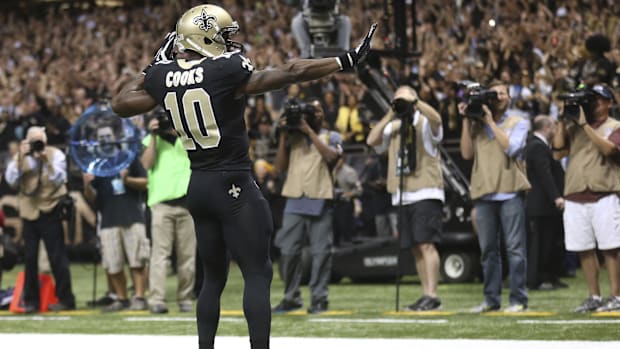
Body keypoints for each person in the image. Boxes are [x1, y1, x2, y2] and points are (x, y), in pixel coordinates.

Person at [110, 4, 376, 349]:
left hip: (199, 185)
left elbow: (120, 103)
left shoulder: (162, 75)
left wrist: (150, 66)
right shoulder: (227, 69)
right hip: (232, 182)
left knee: (213, 278)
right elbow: (291, 71)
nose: (229, 42)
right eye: (222, 35)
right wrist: (345, 60)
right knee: (257, 272)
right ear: (203, 37)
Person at [366, 86, 444, 311]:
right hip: (402, 194)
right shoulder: (393, 126)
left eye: (404, 99)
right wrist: (391, 112)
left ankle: (433, 294)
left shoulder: (424, 121)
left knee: (426, 243)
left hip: (425, 189)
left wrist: (415, 102)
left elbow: (437, 119)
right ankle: (425, 293)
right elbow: (372, 140)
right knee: (415, 247)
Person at [459, 81, 531, 313]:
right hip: (484, 191)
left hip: (509, 191)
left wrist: (489, 121)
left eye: (503, 92)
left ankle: (518, 299)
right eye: (495, 93)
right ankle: (491, 299)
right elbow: (466, 153)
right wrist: (467, 119)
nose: (499, 96)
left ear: (510, 98)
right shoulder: (476, 123)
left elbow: (512, 148)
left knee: (515, 249)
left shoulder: (518, 121)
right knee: (488, 250)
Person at [553, 84, 620, 312]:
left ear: (610, 103)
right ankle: (594, 296)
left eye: (599, 100)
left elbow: (609, 150)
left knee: (610, 247)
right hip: (575, 193)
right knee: (584, 248)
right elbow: (558, 152)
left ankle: (616, 296)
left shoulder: (615, 126)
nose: (594, 104)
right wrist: (563, 121)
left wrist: (583, 124)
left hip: (604, 194)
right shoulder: (575, 127)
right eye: (592, 100)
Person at [272, 99, 342, 314]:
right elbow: (278, 169)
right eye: (311, 110)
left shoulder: (332, 136)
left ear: (323, 115)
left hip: (320, 197)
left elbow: (332, 157)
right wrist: (284, 133)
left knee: (321, 252)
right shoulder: (293, 137)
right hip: (294, 196)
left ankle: (319, 298)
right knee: (289, 251)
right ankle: (291, 297)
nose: (315, 114)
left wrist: (309, 132)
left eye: (318, 110)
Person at [4, 126, 76, 313]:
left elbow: (60, 179)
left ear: (46, 141)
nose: (37, 145)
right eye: (33, 141)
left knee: (57, 257)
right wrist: (21, 156)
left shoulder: (55, 155)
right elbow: (11, 180)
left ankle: (66, 299)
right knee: (29, 258)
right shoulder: (21, 157)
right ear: (26, 142)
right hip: (29, 212)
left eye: (40, 141)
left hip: (50, 210)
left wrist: (46, 161)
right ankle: (30, 301)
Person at [83, 123, 150, 312]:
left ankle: (139, 297)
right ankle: (121, 298)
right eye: (101, 136)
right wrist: (87, 185)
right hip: (108, 219)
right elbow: (92, 198)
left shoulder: (128, 158)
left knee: (137, 260)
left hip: (132, 215)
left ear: (114, 137)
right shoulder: (97, 164)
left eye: (107, 135)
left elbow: (146, 182)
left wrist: (127, 179)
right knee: (113, 263)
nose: (104, 139)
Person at [141, 109, 196, 314]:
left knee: (187, 256)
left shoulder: (186, 139)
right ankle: (157, 299)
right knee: (159, 255)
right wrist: (154, 136)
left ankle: (185, 298)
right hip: (161, 205)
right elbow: (146, 164)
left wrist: (177, 132)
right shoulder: (150, 140)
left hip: (187, 204)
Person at [524, 115, 567, 291]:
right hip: (542, 204)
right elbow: (544, 174)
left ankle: (550, 276)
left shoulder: (539, 145)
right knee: (541, 244)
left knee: (550, 243)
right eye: (554, 127)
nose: (556, 131)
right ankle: (536, 279)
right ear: (547, 128)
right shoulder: (537, 146)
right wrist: (556, 196)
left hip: (544, 205)